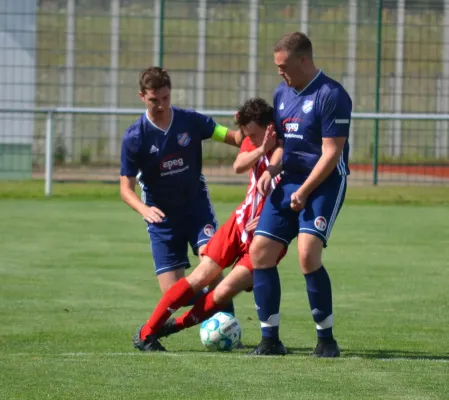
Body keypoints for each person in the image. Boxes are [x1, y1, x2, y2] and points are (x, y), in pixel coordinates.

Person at [133, 98, 285, 352]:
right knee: (200, 276)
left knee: (223, 292)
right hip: (239, 225)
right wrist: (261, 148)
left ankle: (173, 327)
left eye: (255, 136)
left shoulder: (289, 146)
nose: (251, 140)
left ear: (270, 127)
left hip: (267, 235)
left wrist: (271, 215)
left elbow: (280, 162)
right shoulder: (257, 140)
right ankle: (147, 333)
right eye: (248, 136)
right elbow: (238, 165)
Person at [120, 67, 243, 350]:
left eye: (165, 97)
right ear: (142, 97)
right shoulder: (135, 137)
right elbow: (125, 189)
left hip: (196, 210)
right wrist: (143, 209)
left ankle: (226, 323)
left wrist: (252, 133)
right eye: (154, 100)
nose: (161, 105)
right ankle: (213, 310)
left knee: (211, 265)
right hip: (161, 218)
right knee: (172, 293)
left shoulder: (190, 121)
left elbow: (231, 137)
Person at [247, 32, 352, 357]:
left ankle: (326, 340)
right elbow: (282, 147)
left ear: (303, 60)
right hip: (290, 182)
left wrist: (305, 191)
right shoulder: (282, 94)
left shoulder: (332, 95)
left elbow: (332, 153)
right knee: (259, 253)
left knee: (307, 255)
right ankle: (270, 340)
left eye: (284, 66)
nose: (279, 72)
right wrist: (270, 171)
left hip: (323, 184)